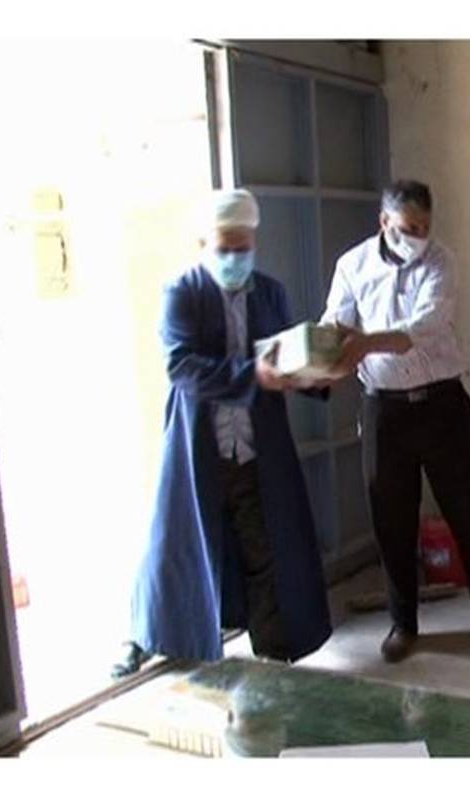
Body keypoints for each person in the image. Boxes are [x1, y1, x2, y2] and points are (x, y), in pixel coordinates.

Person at [112, 189, 332, 678]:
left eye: (243, 248)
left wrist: (317, 371)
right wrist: (253, 375)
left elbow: (285, 355)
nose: (234, 258)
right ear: (202, 244)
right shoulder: (183, 292)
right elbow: (181, 366)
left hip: (257, 445)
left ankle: (276, 652)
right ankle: (147, 636)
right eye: (224, 248)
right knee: (177, 546)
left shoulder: (269, 292)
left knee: (267, 545)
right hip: (200, 444)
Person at [319, 179, 470, 663]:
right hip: (383, 409)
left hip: (441, 404)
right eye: (407, 228)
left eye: (424, 228)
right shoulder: (352, 265)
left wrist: (363, 343)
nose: (417, 237)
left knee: (469, 511)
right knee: (391, 519)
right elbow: (336, 324)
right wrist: (321, 356)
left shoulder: (441, 261)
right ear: (384, 222)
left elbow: (424, 326)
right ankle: (403, 623)